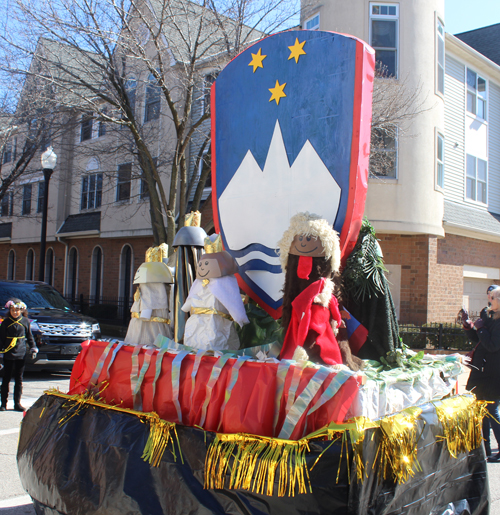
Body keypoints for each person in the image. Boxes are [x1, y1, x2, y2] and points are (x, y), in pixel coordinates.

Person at [461, 285, 500, 461]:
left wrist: (482, 328)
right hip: (482, 371)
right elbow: (480, 341)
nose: (488, 299)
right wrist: (469, 327)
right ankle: (484, 450)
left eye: (492, 297)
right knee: (481, 412)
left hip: (493, 373)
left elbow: (492, 345)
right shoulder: (489, 316)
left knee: (491, 410)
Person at [0, 299, 38, 412]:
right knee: (6, 379)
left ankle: (17, 403)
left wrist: (33, 348)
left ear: (21, 310)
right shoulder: (6, 322)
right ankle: (3, 403)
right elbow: (1, 339)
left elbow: (30, 337)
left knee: (19, 379)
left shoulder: (25, 321)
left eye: (17, 310)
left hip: (21, 353)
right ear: (10, 310)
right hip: (8, 353)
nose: (15, 312)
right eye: (12, 310)